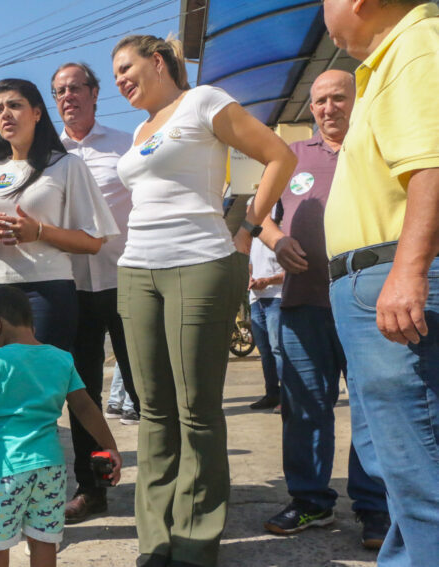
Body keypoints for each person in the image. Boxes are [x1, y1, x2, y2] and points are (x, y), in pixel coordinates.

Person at [111, 35, 296, 567]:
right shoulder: (141, 129)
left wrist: (249, 229)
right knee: (154, 412)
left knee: (196, 411)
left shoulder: (203, 101)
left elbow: (277, 156)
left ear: (159, 61)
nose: (121, 80)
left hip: (200, 264)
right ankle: (155, 541)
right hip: (137, 270)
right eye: (116, 73)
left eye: (127, 67)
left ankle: (194, 542)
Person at [0, 77, 119, 554]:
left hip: (48, 291)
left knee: (47, 394)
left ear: (38, 113)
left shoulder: (66, 167)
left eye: (16, 105)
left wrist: (38, 231)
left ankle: (50, 506)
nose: (6, 114)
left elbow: (93, 240)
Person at [323, 1, 439, 563]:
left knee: (419, 467)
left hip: (392, 278)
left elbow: (433, 167)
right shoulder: (391, 58)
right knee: (398, 466)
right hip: (373, 283)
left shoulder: (417, 45)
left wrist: (409, 269)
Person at [258, 70, 389, 548]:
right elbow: (259, 218)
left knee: (371, 408)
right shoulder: (291, 156)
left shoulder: (376, 145)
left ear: (357, 100)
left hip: (367, 301)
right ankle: (311, 501)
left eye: (338, 98)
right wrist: (279, 240)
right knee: (304, 408)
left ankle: (375, 507)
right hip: (303, 303)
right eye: (319, 102)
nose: (328, 108)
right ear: (310, 109)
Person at [0, 285, 122, 567]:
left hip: (5, 471)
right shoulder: (61, 358)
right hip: (50, 469)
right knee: (44, 542)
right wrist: (110, 446)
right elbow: (85, 407)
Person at [50, 61, 140, 524]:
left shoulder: (126, 145)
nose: (68, 97)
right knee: (81, 393)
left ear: (94, 92)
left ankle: (167, 484)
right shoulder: (51, 156)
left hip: (127, 284)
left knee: (146, 390)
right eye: (60, 91)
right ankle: (92, 488)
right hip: (74, 292)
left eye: (75, 88)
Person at [247, 210, 284, 411]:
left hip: (276, 298)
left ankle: (288, 396)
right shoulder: (254, 238)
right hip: (256, 299)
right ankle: (272, 394)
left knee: (278, 348)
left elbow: (292, 271)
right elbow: (252, 266)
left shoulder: (281, 236)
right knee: (265, 351)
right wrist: (251, 279)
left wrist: (268, 281)